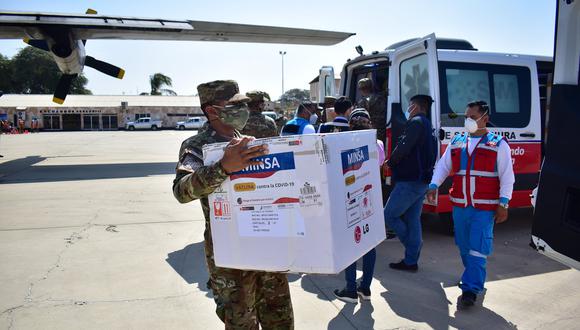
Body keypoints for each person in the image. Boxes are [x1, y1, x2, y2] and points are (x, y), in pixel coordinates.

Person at [172, 80, 294, 329]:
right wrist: (223, 167)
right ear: (211, 111)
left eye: (243, 104)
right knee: (241, 322)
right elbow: (182, 191)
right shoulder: (197, 146)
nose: (243, 109)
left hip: (268, 242)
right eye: (234, 105)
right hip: (230, 254)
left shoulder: (251, 140)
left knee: (278, 316)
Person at [426, 100, 514, 309]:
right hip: (460, 206)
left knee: (477, 248)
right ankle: (471, 277)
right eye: (466, 117)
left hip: (485, 208)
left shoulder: (498, 144)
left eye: (473, 117)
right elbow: (443, 166)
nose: (468, 121)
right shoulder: (457, 141)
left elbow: (507, 176)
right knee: (464, 247)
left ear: (486, 118)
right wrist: (433, 185)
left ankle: (470, 290)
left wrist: (504, 203)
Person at [333, 108, 384, 303]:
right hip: (371, 198)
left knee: (351, 243)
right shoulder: (377, 144)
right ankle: (366, 288)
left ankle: (350, 289)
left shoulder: (342, 143)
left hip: (350, 199)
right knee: (369, 243)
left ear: (351, 125)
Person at [382, 94, 437, 272]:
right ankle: (411, 261)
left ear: (416, 106)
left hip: (410, 181)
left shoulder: (416, 123)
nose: (408, 109)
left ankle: (413, 248)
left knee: (389, 215)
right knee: (413, 219)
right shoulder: (428, 125)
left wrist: (389, 162)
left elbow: (404, 147)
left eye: (410, 105)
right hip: (421, 181)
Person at [357, 78, 387, 144]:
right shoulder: (381, 98)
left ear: (361, 89)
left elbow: (359, 119)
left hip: (368, 133)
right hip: (381, 132)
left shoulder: (361, 103)